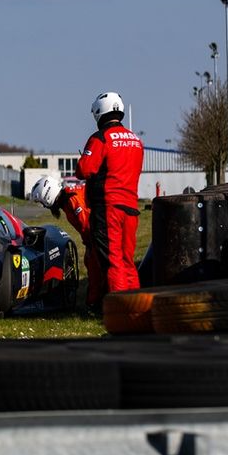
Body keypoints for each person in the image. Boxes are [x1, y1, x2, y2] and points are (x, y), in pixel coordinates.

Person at [75, 91, 144, 303]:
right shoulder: (136, 141)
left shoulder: (100, 138)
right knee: (127, 261)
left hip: (108, 208)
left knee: (113, 261)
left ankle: (120, 307)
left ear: (99, 112)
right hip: (131, 208)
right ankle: (136, 306)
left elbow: (83, 170)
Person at [30, 175, 103, 307]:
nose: (44, 206)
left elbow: (87, 225)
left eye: (42, 203)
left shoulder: (72, 199)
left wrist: (91, 246)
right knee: (90, 263)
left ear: (48, 197)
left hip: (99, 237)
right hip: (96, 237)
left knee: (94, 267)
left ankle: (95, 304)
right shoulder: (67, 200)